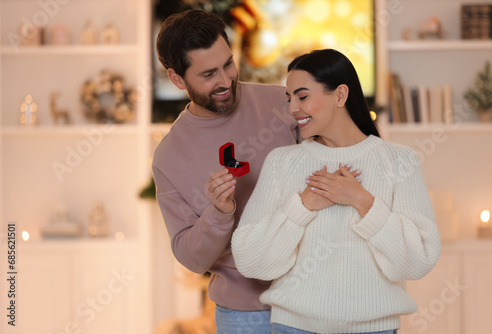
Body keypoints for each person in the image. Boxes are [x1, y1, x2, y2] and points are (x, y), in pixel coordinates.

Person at [232, 49, 441, 334]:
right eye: (289, 98)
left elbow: (418, 261)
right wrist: (302, 206)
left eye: (302, 96)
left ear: (340, 95)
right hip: (292, 328)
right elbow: (250, 260)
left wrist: (362, 201)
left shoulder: (399, 161)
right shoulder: (282, 163)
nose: (293, 108)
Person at [153, 9, 315, 333]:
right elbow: (191, 257)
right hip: (244, 315)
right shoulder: (168, 157)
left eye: (228, 64)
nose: (226, 81)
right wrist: (218, 213)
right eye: (208, 74)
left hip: (311, 298)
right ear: (176, 78)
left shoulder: (284, 103)